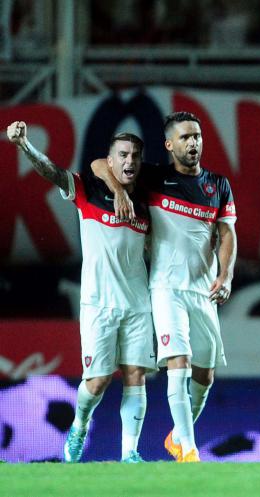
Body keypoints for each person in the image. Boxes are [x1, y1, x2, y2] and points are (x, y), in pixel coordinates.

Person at [6, 122, 156, 463]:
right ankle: (79, 425)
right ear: (111, 160)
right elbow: (54, 171)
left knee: (135, 376)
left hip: (137, 304)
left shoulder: (147, 202)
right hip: (98, 304)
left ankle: (130, 453)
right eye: (122, 155)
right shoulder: (89, 189)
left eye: (135, 156)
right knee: (98, 381)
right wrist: (25, 145)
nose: (129, 161)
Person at [92, 112, 237, 463]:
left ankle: (177, 437)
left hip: (203, 289)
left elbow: (227, 232)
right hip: (166, 288)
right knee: (179, 362)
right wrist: (119, 193)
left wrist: (227, 274)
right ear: (170, 145)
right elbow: (98, 165)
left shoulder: (218, 185)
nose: (193, 142)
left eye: (197, 136)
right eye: (185, 137)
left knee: (205, 375)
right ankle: (189, 450)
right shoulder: (154, 177)